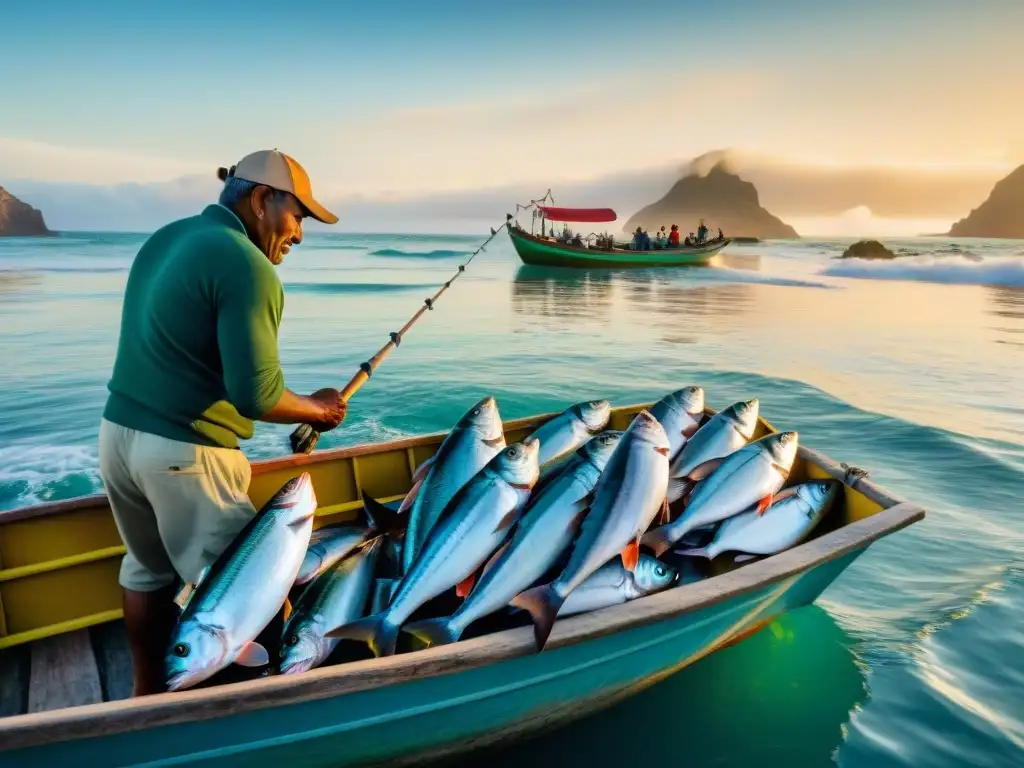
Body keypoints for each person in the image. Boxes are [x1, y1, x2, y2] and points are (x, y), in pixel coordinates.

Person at [98, 149, 348, 697]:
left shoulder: (167, 238)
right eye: (299, 216)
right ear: (262, 200)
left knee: (146, 572)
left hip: (117, 440)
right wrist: (320, 407)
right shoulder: (247, 265)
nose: (300, 234)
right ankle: (244, 724)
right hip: (186, 456)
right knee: (246, 599)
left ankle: (146, 697)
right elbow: (255, 394)